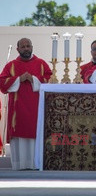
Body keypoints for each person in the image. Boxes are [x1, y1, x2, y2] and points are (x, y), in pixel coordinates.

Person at [0, 38, 52, 170]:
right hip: (17, 110)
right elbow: (2, 82)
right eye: (23, 47)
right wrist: (18, 79)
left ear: (32, 47)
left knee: (36, 132)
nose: (26, 48)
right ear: (18, 49)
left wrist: (33, 79)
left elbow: (50, 79)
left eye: (28, 46)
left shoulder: (41, 64)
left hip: (36, 108)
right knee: (19, 134)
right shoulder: (11, 65)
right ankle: (20, 165)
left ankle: (36, 164)